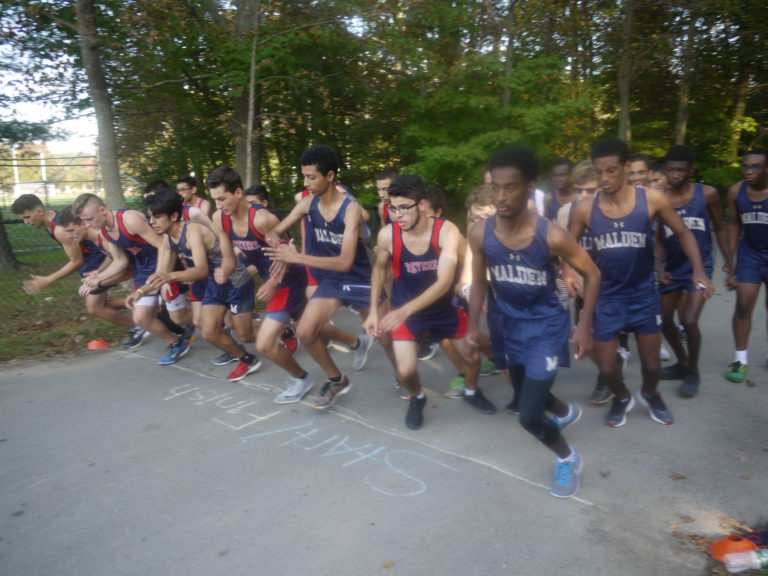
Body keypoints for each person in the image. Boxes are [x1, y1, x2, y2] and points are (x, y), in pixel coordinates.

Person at [468, 145, 600, 499]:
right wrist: (471, 327)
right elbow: (479, 282)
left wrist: (584, 325)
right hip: (505, 324)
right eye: (495, 187)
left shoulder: (552, 235)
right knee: (524, 389)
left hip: (545, 327)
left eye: (510, 187)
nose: (501, 195)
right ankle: (563, 410)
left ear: (529, 188)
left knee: (527, 415)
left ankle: (568, 457)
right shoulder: (481, 233)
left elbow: (593, 273)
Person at [569, 138, 712, 427]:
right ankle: (622, 396)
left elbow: (683, 232)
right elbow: (567, 246)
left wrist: (699, 269)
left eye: (611, 171)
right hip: (606, 297)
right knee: (608, 367)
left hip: (643, 295)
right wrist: (566, 273)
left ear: (625, 167)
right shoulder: (585, 208)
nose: (604, 178)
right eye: (599, 172)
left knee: (651, 365)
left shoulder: (652, 199)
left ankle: (650, 393)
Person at [364, 175, 488, 429]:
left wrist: (403, 311)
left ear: (421, 205)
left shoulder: (446, 231)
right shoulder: (388, 235)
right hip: (407, 314)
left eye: (404, 208)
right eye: (393, 208)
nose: (397, 215)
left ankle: (472, 391)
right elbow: (378, 269)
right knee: (405, 372)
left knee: (473, 358)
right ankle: (417, 397)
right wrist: (374, 311)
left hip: (444, 309)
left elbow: (443, 282)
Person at [265, 145, 376, 410]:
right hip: (330, 278)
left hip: (359, 275)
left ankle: (405, 378)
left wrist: (297, 258)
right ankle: (337, 380)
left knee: (385, 334)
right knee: (305, 330)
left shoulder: (350, 208)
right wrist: (281, 246)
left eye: (311, 177)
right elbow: (275, 232)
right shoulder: (307, 202)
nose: (306, 183)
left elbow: (345, 261)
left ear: (330, 176)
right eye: (303, 176)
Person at [208, 165, 316, 403]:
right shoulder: (219, 218)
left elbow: (286, 254)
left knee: (265, 344)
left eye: (222, 198)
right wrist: (223, 271)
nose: (219, 205)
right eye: (215, 200)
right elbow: (228, 258)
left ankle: (301, 379)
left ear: (238, 193)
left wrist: (274, 283)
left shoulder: (263, 219)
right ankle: (355, 342)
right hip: (273, 280)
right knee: (312, 330)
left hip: (291, 280)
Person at [138, 187, 261, 380]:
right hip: (215, 282)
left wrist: (171, 277)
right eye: (150, 217)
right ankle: (247, 359)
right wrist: (139, 292)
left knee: (244, 334)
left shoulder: (192, 231)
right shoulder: (168, 239)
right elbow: (161, 274)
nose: (152, 222)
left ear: (174, 216)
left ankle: (281, 331)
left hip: (236, 280)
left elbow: (201, 270)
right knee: (209, 331)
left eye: (157, 217)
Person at [72, 192, 195, 365]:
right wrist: (98, 277)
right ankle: (176, 342)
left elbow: (164, 245)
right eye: (84, 221)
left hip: (164, 262)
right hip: (143, 269)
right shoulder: (105, 231)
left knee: (179, 317)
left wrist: (162, 276)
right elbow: (120, 261)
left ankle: (214, 319)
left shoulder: (129, 220)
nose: (87, 224)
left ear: (102, 210)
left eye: (89, 219)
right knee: (140, 318)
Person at [657, 145, 727, 397]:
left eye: (681, 170)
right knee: (663, 320)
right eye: (671, 169)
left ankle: (693, 371)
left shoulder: (706, 194)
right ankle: (682, 362)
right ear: (665, 170)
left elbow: (719, 227)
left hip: (700, 268)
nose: (676, 174)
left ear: (691, 170)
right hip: (673, 269)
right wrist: (659, 268)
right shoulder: (659, 197)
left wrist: (728, 263)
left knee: (688, 320)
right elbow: (657, 237)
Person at [10, 195, 135, 334]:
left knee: (95, 308)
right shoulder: (52, 221)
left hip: (98, 262)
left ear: (39, 211)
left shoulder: (59, 229)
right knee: (101, 305)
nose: (25, 222)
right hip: (96, 262)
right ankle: (146, 307)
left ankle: (140, 325)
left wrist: (47, 280)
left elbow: (76, 261)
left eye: (27, 217)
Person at [723, 148, 768, 383]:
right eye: (745, 166)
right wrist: (730, 263)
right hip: (750, 254)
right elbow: (733, 224)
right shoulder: (736, 191)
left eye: (756, 167)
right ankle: (740, 358)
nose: (749, 171)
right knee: (743, 303)